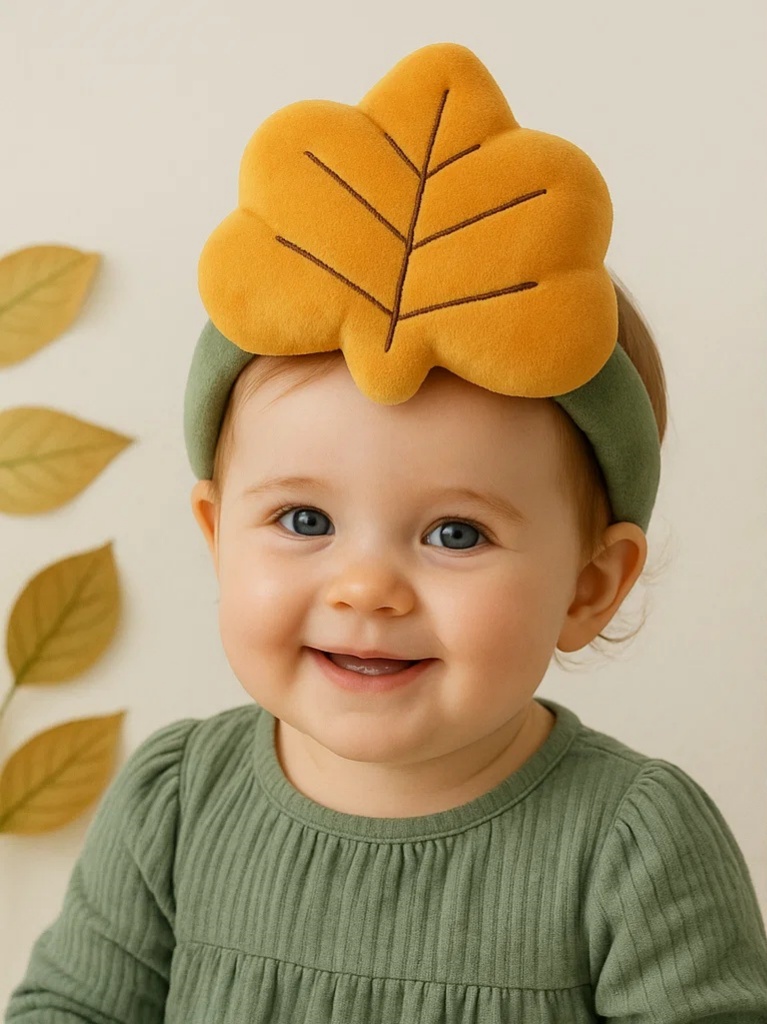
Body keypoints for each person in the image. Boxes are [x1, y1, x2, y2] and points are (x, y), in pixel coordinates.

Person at [6, 40, 767, 1023]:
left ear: (589, 585)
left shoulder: (633, 845)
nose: (365, 586)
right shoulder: (173, 805)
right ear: (214, 535)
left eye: (454, 533)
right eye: (303, 519)